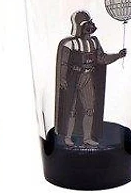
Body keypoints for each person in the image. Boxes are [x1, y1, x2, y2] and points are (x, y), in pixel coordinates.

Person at [54, 11, 126, 147]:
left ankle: (87, 138)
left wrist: (118, 55)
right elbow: (63, 63)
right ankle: (68, 137)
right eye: (87, 24)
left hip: (87, 77)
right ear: (79, 26)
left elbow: (102, 58)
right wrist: (63, 78)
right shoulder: (70, 44)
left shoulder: (94, 42)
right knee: (71, 109)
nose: (91, 26)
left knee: (89, 109)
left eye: (90, 23)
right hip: (73, 78)